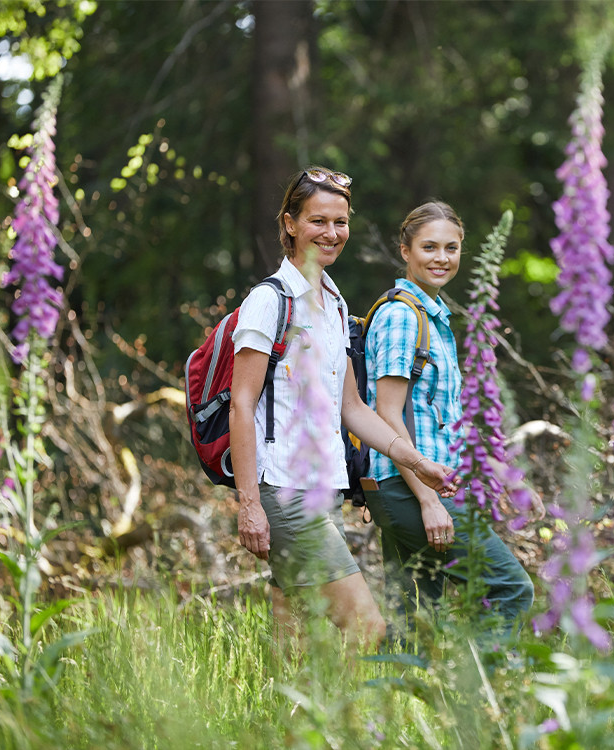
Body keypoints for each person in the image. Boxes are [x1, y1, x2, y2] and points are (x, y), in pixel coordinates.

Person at [229, 168, 455, 649]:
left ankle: (278, 722)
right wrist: (249, 504)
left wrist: (414, 461)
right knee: (368, 628)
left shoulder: (333, 302)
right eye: (317, 221)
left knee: (292, 636)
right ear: (290, 224)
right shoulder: (269, 301)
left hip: (322, 489)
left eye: (341, 221)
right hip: (284, 491)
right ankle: (359, 726)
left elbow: (351, 407)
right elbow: (241, 403)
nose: (331, 234)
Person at [362, 201, 542, 640]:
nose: (441, 258)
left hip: (413, 485)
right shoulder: (403, 316)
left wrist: (506, 476)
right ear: (405, 251)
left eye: (451, 248)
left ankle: (397, 702)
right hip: (408, 487)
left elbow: (449, 424)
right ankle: (487, 700)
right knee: (510, 589)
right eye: (429, 247)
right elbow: (386, 415)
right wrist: (428, 501)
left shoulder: (433, 319)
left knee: (418, 618)